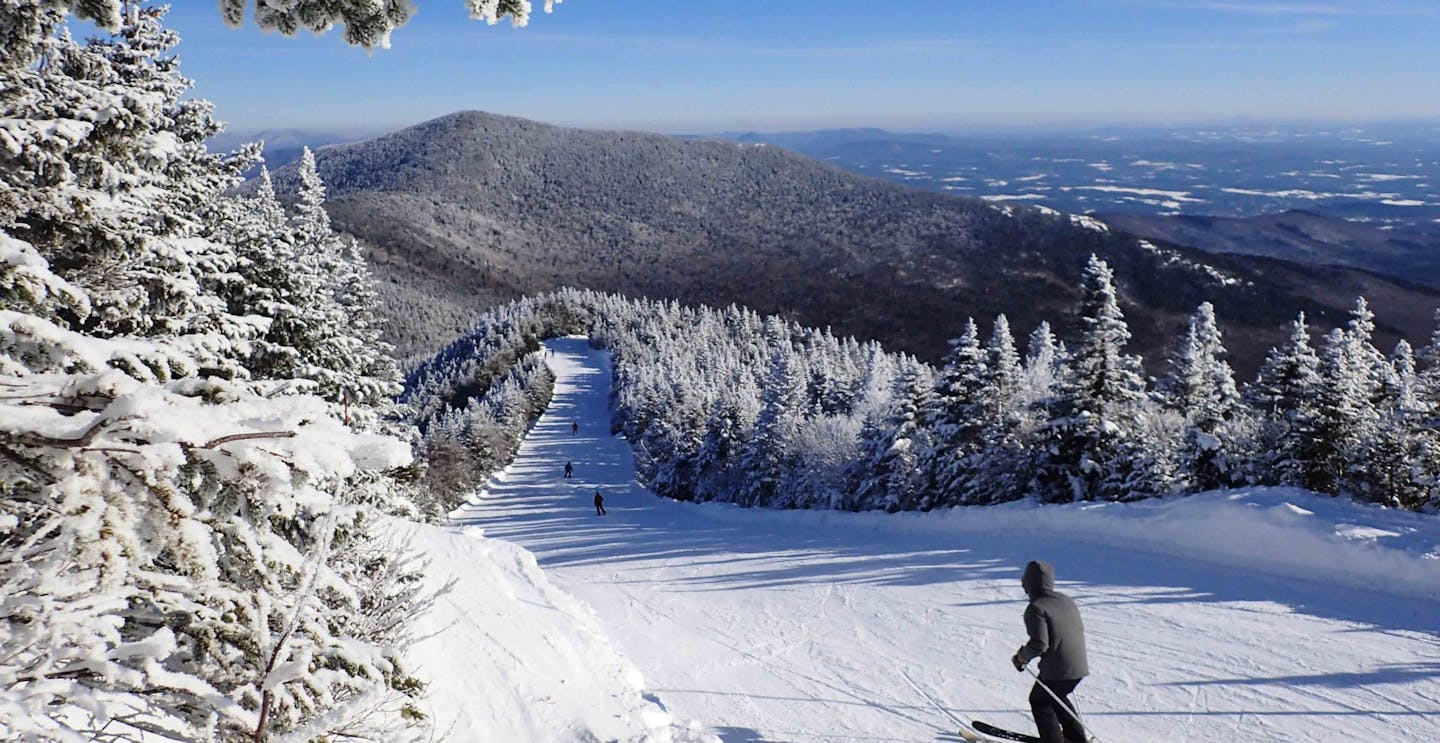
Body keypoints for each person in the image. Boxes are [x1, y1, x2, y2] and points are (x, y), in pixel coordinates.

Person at [1011, 560, 1089, 743]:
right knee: (1058, 698)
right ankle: (1077, 738)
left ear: (1028, 584)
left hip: (1058, 671)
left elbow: (1039, 644)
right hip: (1079, 666)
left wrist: (1021, 658)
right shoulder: (1065, 600)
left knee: (1040, 702)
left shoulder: (1036, 608)